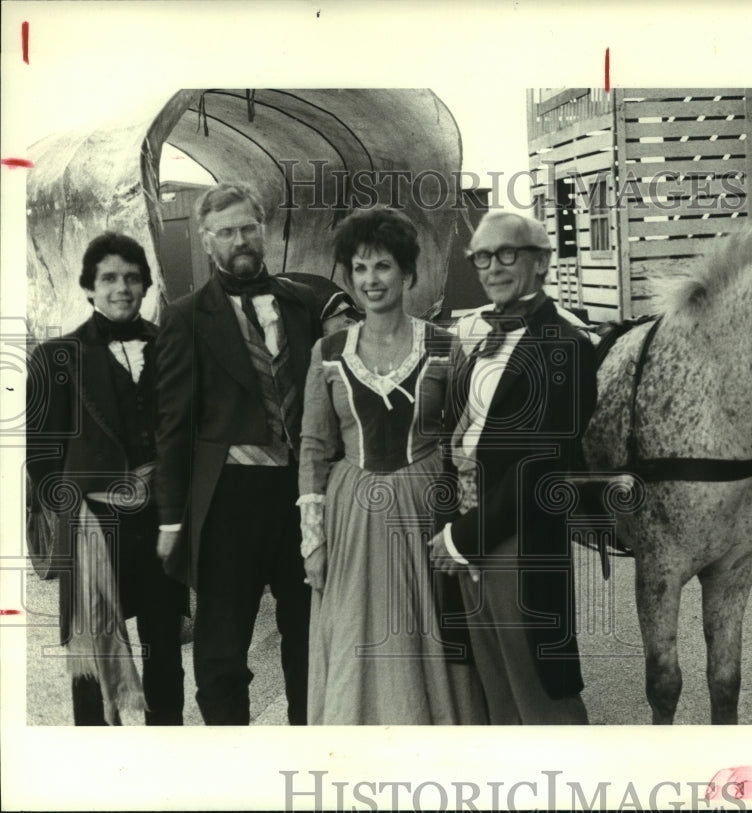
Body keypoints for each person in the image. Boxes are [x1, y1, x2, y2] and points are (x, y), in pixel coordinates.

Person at [298, 207, 486, 724]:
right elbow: (314, 447)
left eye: (382, 266)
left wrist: (465, 531)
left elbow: (466, 444)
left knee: (428, 629)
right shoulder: (328, 351)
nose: (370, 280)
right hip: (352, 512)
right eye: (359, 268)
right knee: (356, 628)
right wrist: (313, 541)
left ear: (407, 274)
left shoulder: (446, 348)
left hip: (426, 507)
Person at [155, 182, 320, 725]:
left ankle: (309, 752)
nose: (240, 240)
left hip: (301, 498)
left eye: (248, 227)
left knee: (309, 641)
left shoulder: (302, 304)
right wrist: (172, 518)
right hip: (227, 504)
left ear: (263, 230)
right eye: (226, 232)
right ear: (207, 242)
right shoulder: (183, 317)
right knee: (222, 653)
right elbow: (173, 426)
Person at [428, 210, 598, 724]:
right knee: (495, 692)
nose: (493, 268)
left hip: (518, 541)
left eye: (507, 253)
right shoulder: (478, 337)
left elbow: (541, 466)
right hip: (469, 527)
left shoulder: (565, 344)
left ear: (542, 261)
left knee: (541, 696)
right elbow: (457, 435)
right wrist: (450, 524)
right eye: (482, 256)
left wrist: (463, 538)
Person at [26, 232, 187, 725]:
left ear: (146, 286)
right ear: (89, 287)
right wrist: (79, 506)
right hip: (95, 526)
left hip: (161, 523)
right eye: (110, 278)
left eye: (133, 278)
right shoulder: (57, 357)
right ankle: (96, 761)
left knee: (165, 647)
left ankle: (169, 750)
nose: (123, 288)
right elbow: (40, 456)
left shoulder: (173, 347)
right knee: (91, 655)